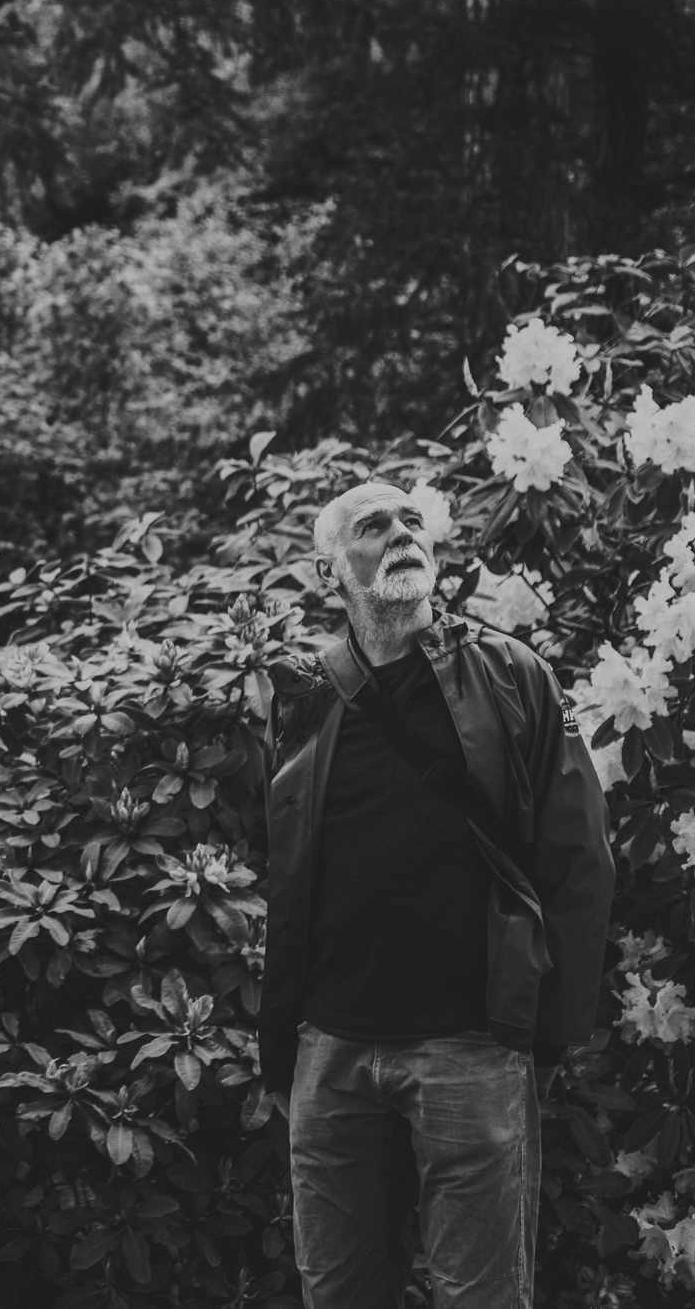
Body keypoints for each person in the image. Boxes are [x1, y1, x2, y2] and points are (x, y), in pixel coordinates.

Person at [259, 481, 616, 1309]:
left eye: (410, 521)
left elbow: (577, 862)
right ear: (327, 571)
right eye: (371, 526)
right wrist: (284, 1046)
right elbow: (287, 880)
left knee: (480, 1297)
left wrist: (547, 1036)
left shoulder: (510, 677)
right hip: (331, 1055)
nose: (399, 535)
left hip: (472, 1049)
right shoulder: (304, 695)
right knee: (339, 1294)